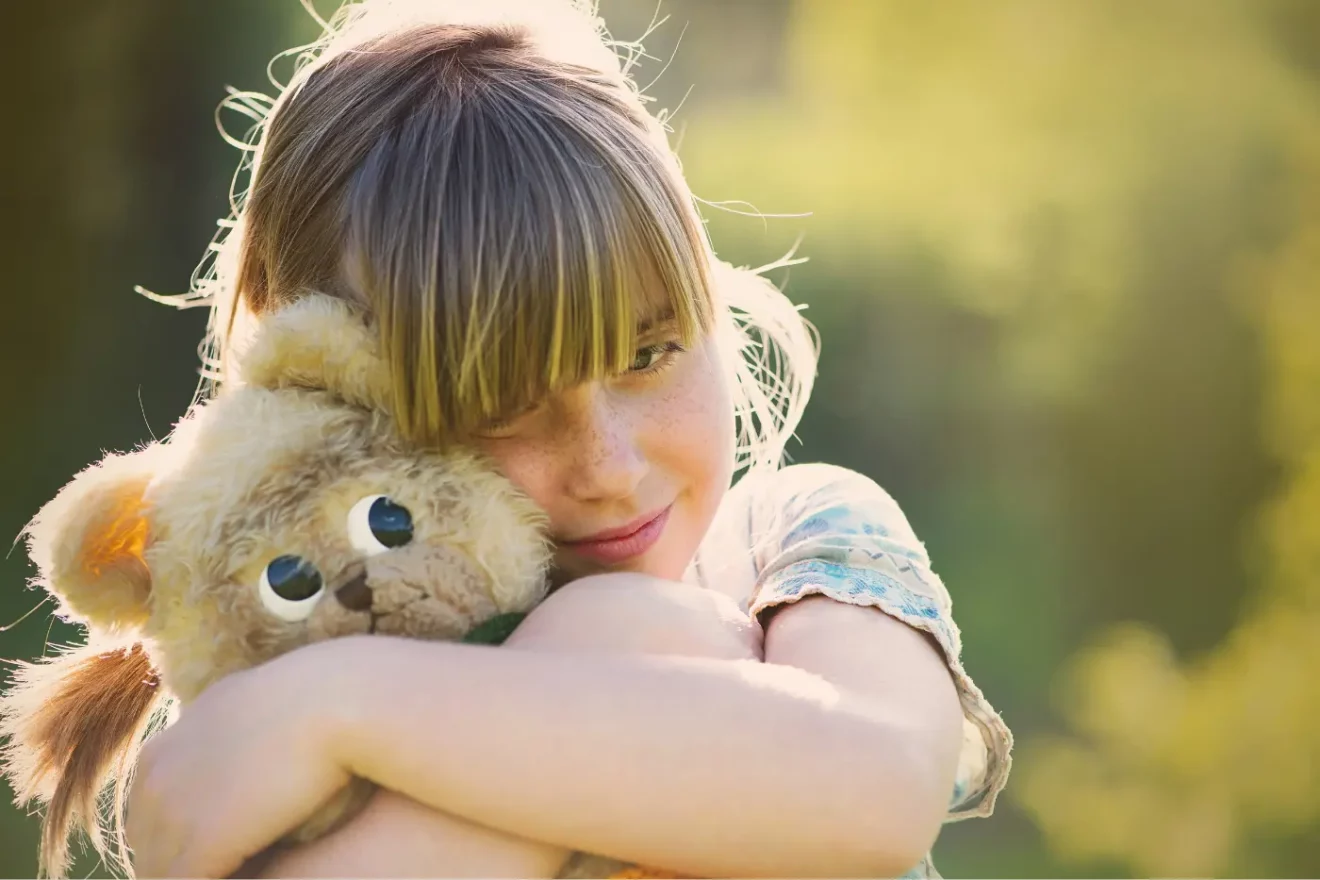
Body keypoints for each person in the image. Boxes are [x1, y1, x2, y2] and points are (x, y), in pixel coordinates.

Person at [123, 1, 1012, 876]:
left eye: (648, 353)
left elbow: (880, 785)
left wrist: (339, 710)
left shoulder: (788, 546)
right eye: (501, 405)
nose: (610, 468)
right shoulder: (253, 737)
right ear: (320, 393)